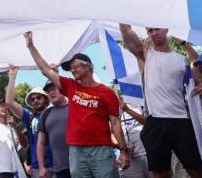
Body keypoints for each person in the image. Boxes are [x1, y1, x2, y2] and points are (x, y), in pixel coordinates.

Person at [24, 32, 130, 178]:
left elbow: (116, 123)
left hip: (101, 149)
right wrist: (31, 46)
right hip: (76, 151)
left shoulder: (107, 93)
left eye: (75, 66)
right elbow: (46, 70)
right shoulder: (70, 86)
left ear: (89, 66)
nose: (72, 70)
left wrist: (123, 151)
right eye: (70, 68)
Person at [118, 25, 202, 178]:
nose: (154, 33)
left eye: (157, 29)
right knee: (160, 173)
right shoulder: (146, 54)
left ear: (166, 29)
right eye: (150, 30)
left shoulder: (180, 58)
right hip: (156, 121)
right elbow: (126, 33)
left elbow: (197, 77)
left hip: (181, 120)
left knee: (196, 169)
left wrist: (184, 45)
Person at [5, 66, 50, 176]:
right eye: (32, 99)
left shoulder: (54, 113)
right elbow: (9, 102)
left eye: (39, 97)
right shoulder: (29, 116)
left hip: (58, 165)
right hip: (37, 167)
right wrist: (12, 76)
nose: (35, 100)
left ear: (46, 99)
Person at [37, 82, 70, 178]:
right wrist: (42, 167)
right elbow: (41, 143)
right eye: (48, 91)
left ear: (62, 89)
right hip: (59, 168)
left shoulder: (75, 107)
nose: (51, 93)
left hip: (81, 164)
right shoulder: (45, 114)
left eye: (54, 89)